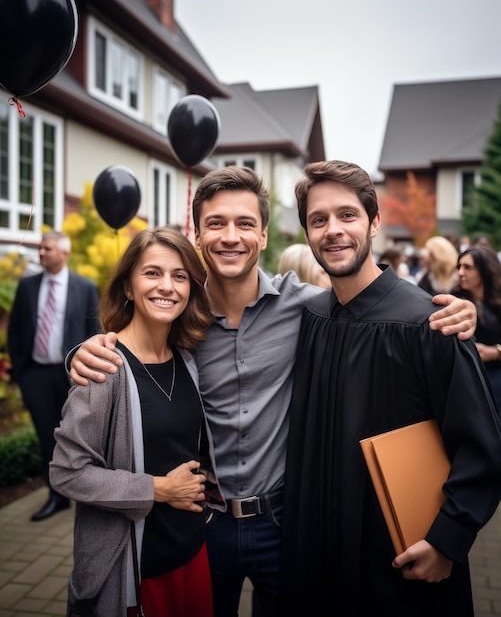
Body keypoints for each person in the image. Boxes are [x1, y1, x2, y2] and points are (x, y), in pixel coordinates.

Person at [67, 167, 477, 617]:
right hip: (205, 522)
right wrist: (84, 351)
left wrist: (456, 311)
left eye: (245, 224)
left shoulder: (308, 309)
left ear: (264, 236)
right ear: (198, 235)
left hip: (288, 524)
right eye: (216, 224)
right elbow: (132, 343)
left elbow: (364, 308)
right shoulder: (181, 318)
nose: (230, 236)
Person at [279, 160, 501, 617]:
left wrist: (448, 540)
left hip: (400, 568)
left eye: (347, 215)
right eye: (318, 220)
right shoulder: (312, 319)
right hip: (321, 562)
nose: (333, 230)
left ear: (375, 222)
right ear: (306, 233)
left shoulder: (429, 322)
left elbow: (482, 447)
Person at [49, 226, 225, 617]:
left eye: (180, 276)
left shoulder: (187, 361)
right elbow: (67, 472)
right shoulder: (105, 368)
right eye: (152, 273)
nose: (167, 286)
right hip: (136, 567)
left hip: (192, 553)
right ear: (128, 287)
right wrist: (159, 489)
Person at [7, 231, 100, 522]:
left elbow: (92, 331)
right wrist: (21, 372)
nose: (41, 253)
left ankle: (88, 490)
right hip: (35, 375)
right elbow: (16, 330)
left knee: (82, 434)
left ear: (64, 253)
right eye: (40, 248)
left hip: (71, 375)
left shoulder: (83, 287)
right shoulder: (27, 286)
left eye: (47, 248)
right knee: (47, 436)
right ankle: (56, 497)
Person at [456, 245, 501, 414]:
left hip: (495, 376)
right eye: (459, 267)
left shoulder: (497, 303)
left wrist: (496, 352)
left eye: (467, 267)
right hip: (467, 381)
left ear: (485, 270)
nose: (460, 272)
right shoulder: (454, 301)